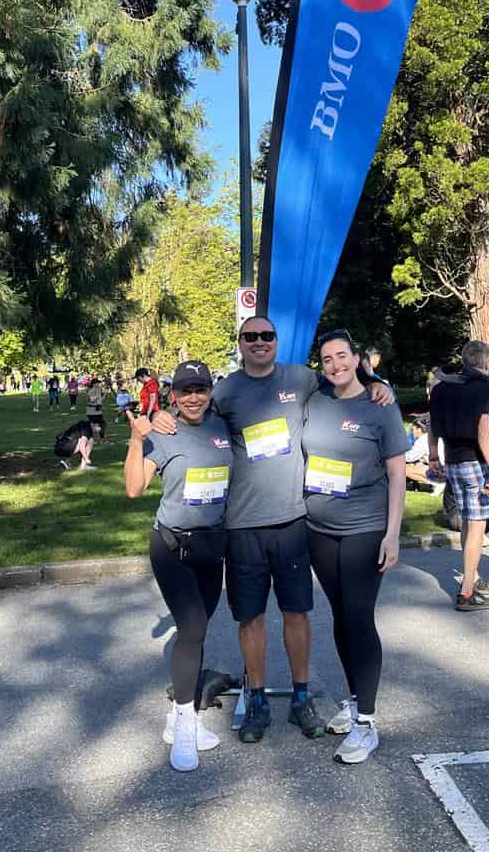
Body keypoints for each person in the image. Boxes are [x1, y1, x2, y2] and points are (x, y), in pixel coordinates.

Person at [152, 317, 394, 745]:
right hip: (243, 525)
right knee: (251, 618)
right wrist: (161, 417)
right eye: (251, 337)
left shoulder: (301, 378)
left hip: (293, 520)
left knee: (297, 613)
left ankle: (301, 696)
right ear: (241, 344)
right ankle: (257, 698)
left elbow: (345, 378)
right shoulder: (225, 391)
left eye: (267, 336)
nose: (259, 342)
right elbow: (192, 413)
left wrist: (378, 383)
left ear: (276, 342)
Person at [302, 332, 407, 764]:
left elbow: (398, 475)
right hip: (319, 528)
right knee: (341, 618)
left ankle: (367, 722)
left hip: (365, 527)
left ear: (356, 358)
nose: (335, 365)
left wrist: (393, 533)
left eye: (342, 356)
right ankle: (353, 699)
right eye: (327, 359)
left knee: (360, 619)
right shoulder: (315, 400)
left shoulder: (381, 406)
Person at [125, 360, 232, 772]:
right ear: (173, 394)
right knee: (193, 627)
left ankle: (177, 718)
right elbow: (134, 488)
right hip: (172, 547)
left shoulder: (224, 428)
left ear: (209, 392)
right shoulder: (163, 432)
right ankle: (185, 723)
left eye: (200, 389)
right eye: (185, 390)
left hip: (212, 546)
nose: (193, 398)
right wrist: (137, 440)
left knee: (200, 627)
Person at [428, 341, 489, 613]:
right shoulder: (485, 387)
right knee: (477, 526)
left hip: (453, 460)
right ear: (485, 361)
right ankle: (467, 592)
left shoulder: (442, 387)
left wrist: (433, 455)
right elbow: (484, 429)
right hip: (477, 462)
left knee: (467, 524)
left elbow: (432, 424)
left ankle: (473, 576)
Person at [85, 377, 107, 441]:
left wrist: (105, 395)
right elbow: (91, 400)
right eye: (97, 383)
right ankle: (101, 439)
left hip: (98, 411)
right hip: (92, 411)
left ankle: (99, 438)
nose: (99, 384)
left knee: (99, 425)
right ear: (94, 384)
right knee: (100, 425)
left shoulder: (98, 389)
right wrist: (97, 396)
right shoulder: (91, 390)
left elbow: (99, 401)